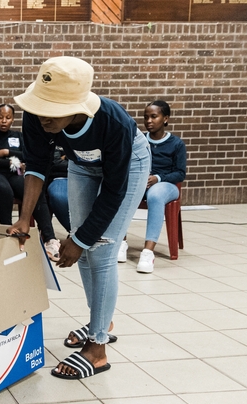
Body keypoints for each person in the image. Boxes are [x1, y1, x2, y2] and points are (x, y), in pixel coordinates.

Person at [9, 56, 151, 380]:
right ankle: (102, 319)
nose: (42, 116)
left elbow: (115, 191)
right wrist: (24, 218)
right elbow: (35, 165)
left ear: (76, 105)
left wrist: (80, 239)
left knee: (98, 249)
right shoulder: (37, 113)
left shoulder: (112, 122)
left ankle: (97, 348)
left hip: (130, 165)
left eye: (52, 110)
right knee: (83, 252)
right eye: (40, 106)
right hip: (82, 166)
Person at [0, 103, 62, 260]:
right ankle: (7, 232)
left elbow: (29, 155)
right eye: (0, 117)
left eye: (8, 118)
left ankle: (50, 238)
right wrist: (9, 162)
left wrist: (6, 152)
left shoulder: (18, 136)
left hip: (15, 174)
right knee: (3, 189)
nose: (4, 121)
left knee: (34, 191)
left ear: (13, 119)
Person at [129, 100, 187, 273]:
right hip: (141, 183)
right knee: (122, 190)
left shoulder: (176, 144)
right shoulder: (138, 141)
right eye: (146, 117)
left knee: (155, 194)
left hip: (166, 186)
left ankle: (147, 252)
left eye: (154, 116)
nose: (148, 121)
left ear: (165, 119)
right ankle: (120, 244)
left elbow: (180, 173)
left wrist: (158, 178)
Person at [46, 144, 71, 233]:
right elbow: (55, 163)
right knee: (58, 196)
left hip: (87, 177)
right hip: (61, 177)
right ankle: (76, 233)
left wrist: (66, 157)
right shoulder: (53, 139)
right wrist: (73, 160)